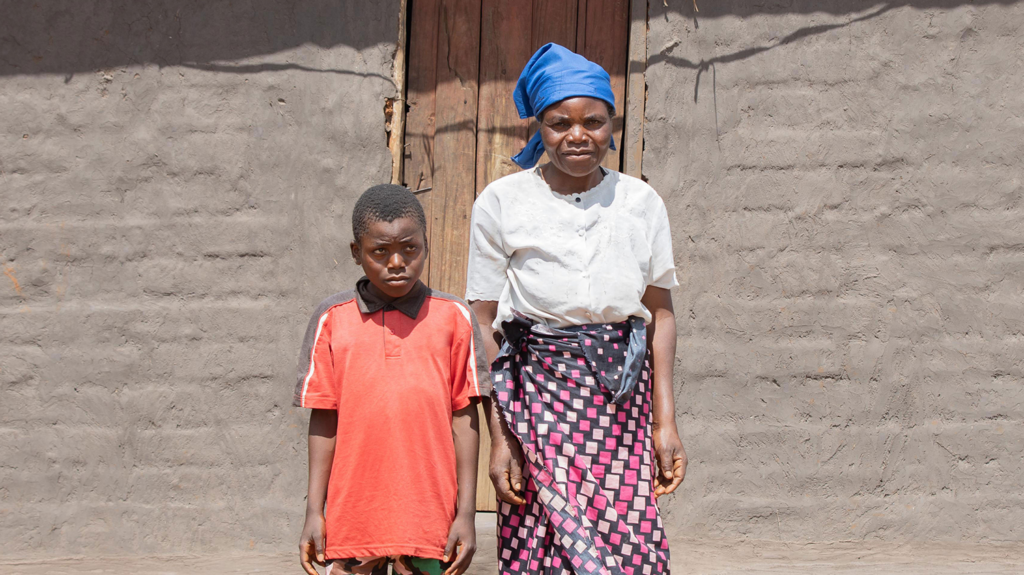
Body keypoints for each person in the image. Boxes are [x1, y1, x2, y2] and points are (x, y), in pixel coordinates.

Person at [467, 43, 688, 575]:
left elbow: (660, 314)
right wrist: (501, 440)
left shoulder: (640, 203)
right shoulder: (502, 202)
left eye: (593, 120)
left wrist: (665, 423)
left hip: (621, 406)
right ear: (538, 127)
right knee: (537, 545)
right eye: (559, 122)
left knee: (627, 541)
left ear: (612, 123)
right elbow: (483, 323)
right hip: (533, 403)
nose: (577, 135)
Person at [294, 184, 490, 575]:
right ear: (356, 253)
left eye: (409, 249)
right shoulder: (333, 318)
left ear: (426, 245)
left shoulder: (454, 317)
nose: (396, 262)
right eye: (379, 251)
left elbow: (465, 420)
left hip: (429, 516)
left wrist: (465, 512)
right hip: (353, 517)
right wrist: (314, 511)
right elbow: (324, 418)